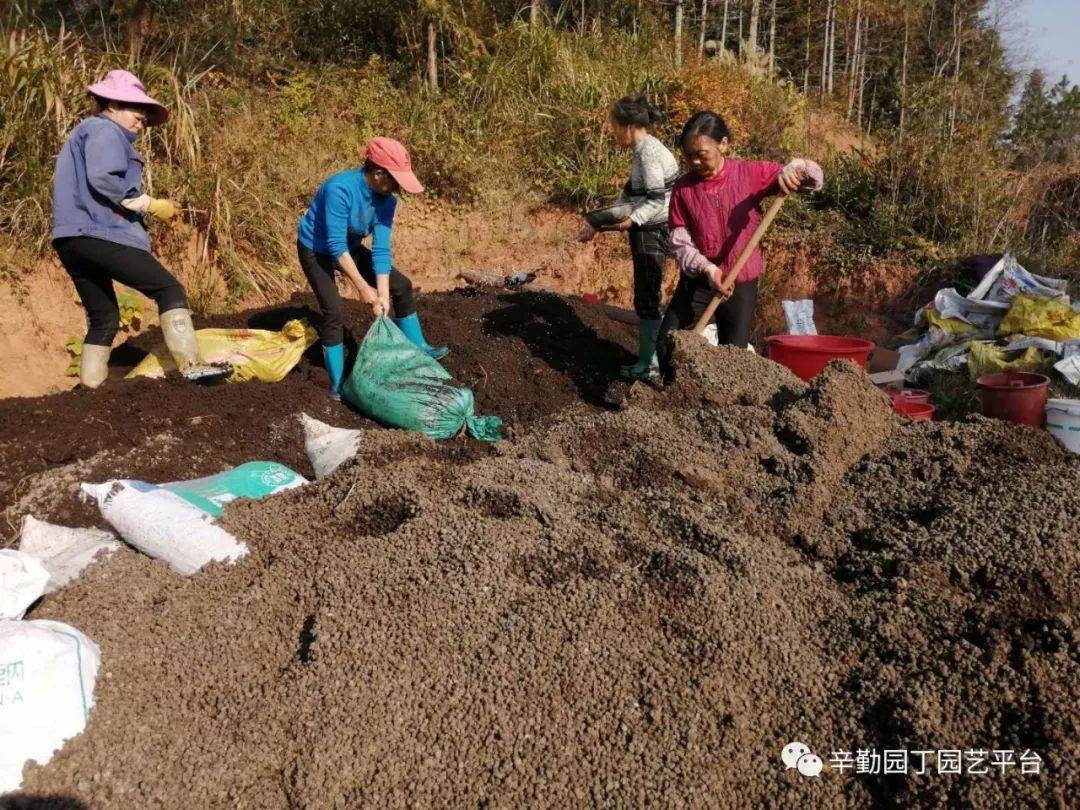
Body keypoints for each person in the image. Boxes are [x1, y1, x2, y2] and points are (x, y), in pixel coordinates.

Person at [52, 69, 221, 388]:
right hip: (100, 233)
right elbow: (104, 178)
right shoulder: (104, 130)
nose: (142, 120)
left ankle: (92, 388)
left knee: (104, 317)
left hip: (70, 241)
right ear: (111, 104)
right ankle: (192, 366)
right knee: (168, 289)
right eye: (137, 110)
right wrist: (150, 204)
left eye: (145, 116)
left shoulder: (84, 134)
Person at [657, 111, 824, 376]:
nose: (695, 161)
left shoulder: (749, 174)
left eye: (702, 153)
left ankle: (723, 407)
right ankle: (670, 396)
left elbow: (811, 180)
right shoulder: (683, 189)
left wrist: (797, 166)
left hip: (740, 281)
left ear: (723, 144)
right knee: (668, 345)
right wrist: (709, 270)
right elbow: (679, 241)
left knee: (732, 355)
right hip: (700, 279)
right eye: (689, 155)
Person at [297, 137, 447, 400]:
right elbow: (335, 246)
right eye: (395, 181)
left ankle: (419, 347)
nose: (398, 188)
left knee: (402, 286)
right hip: (316, 248)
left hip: (350, 246)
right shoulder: (340, 189)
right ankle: (337, 384)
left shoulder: (387, 201)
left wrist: (383, 294)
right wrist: (364, 288)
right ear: (378, 174)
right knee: (333, 312)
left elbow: (381, 249)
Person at [578, 95, 680, 380]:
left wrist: (632, 221)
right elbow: (629, 197)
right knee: (647, 295)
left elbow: (656, 201)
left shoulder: (648, 153)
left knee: (647, 297)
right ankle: (649, 360)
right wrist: (596, 221)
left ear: (627, 126)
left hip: (652, 229)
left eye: (613, 126)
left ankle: (649, 364)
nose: (612, 132)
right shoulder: (644, 150)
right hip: (650, 226)